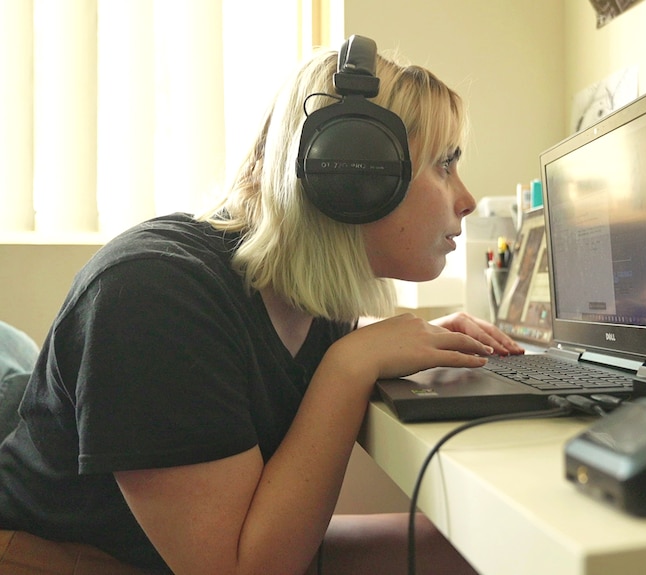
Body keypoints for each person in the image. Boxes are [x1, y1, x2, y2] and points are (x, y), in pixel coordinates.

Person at [0, 39, 524, 575]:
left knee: (493, 555)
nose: (467, 198)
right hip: (51, 558)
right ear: (353, 178)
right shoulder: (153, 297)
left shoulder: (308, 300)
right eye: (444, 165)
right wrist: (351, 364)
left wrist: (404, 343)